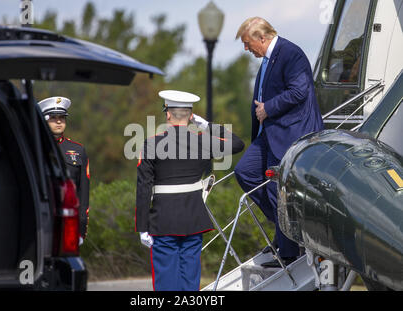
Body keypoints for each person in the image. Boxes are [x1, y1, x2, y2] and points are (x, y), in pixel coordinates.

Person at [233, 17, 324, 267]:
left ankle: (288, 251)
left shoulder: (291, 53)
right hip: (270, 134)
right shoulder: (267, 59)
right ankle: (286, 233)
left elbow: (300, 91)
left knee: (277, 189)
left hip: (291, 134)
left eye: (247, 42)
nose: (245, 48)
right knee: (244, 172)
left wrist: (268, 109)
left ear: (262, 38)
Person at [135, 90, 245, 291]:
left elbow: (143, 187)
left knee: (166, 281)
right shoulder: (203, 141)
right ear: (191, 115)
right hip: (193, 219)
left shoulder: (151, 144)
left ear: (167, 113)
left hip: (163, 220)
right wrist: (207, 125)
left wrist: (142, 226)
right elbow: (238, 144)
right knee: (190, 282)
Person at [38, 96, 90, 245]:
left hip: (68, 222)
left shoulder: (77, 150)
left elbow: (83, 192)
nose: (59, 121)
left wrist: (81, 229)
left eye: (62, 117)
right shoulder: (35, 148)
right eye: (53, 118)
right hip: (42, 220)